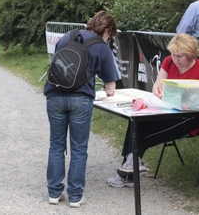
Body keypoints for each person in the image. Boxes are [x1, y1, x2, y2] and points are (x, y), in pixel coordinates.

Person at [43, 11, 119, 208]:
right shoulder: (102, 48)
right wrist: (107, 91)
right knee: (78, 148)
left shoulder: (67, 36)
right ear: (107, 31)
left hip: (54, 95)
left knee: (56, 144)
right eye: (110, 36)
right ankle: (75, 196)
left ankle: (54, 193)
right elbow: (110, 86)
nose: (109, 39)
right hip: (81, 100)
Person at [107, 33, 199, 188]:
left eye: (180, 56)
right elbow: (156, 86)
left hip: (190, 118)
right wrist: (158, 92)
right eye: (174, 55)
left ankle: (129, 172)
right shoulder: (169, 62)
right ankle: (132, 165)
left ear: (191, 53)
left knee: (139, 134)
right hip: (167, 112)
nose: (176, 60)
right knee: (135, 121)